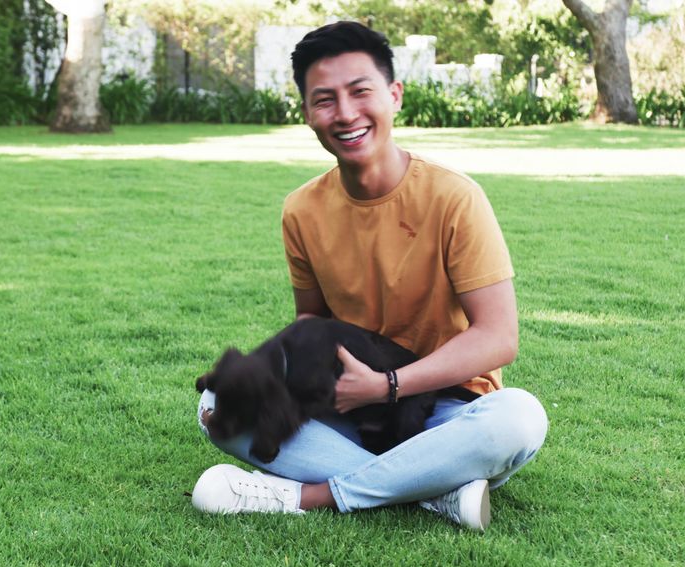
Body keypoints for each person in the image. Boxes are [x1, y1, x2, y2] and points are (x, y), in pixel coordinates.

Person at [191, 21, 548, 531]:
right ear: (308, 114)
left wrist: (386, 386)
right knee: (217, 402)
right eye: (325, 100)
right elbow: (311, 325)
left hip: (449, 407)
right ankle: (434, 492)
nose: (346, 113)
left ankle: (311, 496)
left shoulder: (455, 198)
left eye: (361, 92)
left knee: (519, 418)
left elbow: (498, 337)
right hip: (348, 406)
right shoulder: (302, 210)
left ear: (394, 95)